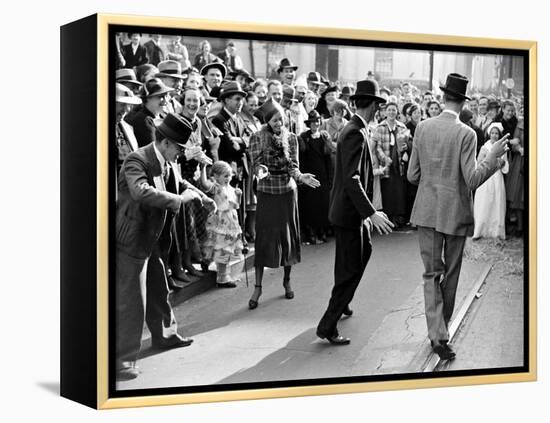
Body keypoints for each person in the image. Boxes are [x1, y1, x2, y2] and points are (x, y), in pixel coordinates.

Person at [407, 73, 510, 361]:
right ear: (463, 102)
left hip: (426, 212)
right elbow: (473, 179)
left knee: (430, 274)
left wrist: (432, 183)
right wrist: (494, 159)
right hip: (455, 214)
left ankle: (436, 333)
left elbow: (412, 175)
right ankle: (442, 333)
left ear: (443, 98)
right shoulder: (467, 134)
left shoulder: (423, 128)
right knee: (449, 276)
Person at [115, 113, 211, 381]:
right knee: (131, 300)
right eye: (179, 148)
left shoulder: (165, 159)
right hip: (132, 237)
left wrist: (202, 197)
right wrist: (180, 200)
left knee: (160, 288)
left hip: (154, 236)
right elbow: (140, 191)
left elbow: (178, 183)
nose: (181, 154)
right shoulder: (138, 159)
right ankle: (122, 360)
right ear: (166, 143)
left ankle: (166, 335)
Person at [316, 79, 393, 345]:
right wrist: (371, 213)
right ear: (372, 105)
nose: (378, 110)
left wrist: (367, 214)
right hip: (349, 213)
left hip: (351, 212)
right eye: (378, 105)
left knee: (362, 254)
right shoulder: (355, 132)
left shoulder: (357, 129)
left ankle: (343, 301)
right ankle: (328, 324)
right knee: (349, 268)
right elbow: (352, 179)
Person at [247, 100, 320, 310]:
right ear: (267, 121)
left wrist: (300, 176)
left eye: (281, 119)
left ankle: (287, 281)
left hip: (288, 192)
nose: (280, 123)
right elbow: (255, 166)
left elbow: (293, 167)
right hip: (267, 192)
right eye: (275, 120)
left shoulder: (292, 138)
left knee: (287, 238)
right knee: (264, 238)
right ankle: (258, 286)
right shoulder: (257, 137)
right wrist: (260, 171)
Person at [200, 161, 244, 287]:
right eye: (225, 176)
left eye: (229, 175)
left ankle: (220, 272)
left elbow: (236, 205)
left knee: (225, 249)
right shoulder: (215, 187)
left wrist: (239, 196)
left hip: (231, 223)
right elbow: (204, 185)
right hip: (219, 221)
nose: (228, 178)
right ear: (216, 176)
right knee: (219, 247)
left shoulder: (231, 189)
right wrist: (203, 168)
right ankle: (221, 277)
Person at [373, 101, 410, 228]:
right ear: (385, 112)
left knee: (399, 190)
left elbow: (406, 144)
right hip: (386, 163)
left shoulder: (402, 127)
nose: (391, 112)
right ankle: (388, 218)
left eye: (394, 110)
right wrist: (384, 158)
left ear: (397, 112)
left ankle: (398, 217)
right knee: (387, 190)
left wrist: (405, 148)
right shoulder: (380, 127)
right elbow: (376, 147)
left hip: (399, 163)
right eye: (389, 110)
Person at [298, 110, 333, 244]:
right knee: (310, 205)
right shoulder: (303, 137)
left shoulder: (324, 137)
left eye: (317, 122)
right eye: (312, 122)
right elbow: (301, 157)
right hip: (308, 175)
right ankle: (311, 233)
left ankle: (322, 231)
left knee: (323, 205)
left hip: (322, 175)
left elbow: (328, 159)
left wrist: (330, 178)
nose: (315, 124)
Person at [473, 123, 509, 239]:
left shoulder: (502, 147)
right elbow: (479, 163)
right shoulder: (484, 147)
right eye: (492, 133)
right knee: (484, 201)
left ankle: (496, 231)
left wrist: (500, 163)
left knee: (497, 202)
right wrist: (487, 160)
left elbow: (504, 164)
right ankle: (480, 230)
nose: (494, 135)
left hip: (497, 177)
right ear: (489, 134)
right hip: (485, 177)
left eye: (496, 133)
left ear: (499, 135)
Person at [125, 78, 173, 147]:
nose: (165, 100)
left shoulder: (160, 116)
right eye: (160, 96)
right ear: (147, 98)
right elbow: (153, 151)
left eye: (166, 95)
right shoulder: (143, 120)